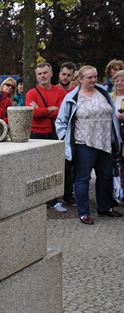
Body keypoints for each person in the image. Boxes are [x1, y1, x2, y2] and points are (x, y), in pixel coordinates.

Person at [56, 65, 122, 225]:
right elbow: (61, 121)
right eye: (89, 77)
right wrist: (66, 139)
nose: (93, 80)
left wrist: (116, 138)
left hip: (106, 142)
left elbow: (113, 115)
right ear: (80, 79)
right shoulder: (72, 97)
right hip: (83, 143)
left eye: (95, 76)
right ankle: (84, 213)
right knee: (83, 178)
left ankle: (104, 208)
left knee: (105, 177)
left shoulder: (103, 93)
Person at [26, 62, 71, 212]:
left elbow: (63, 113)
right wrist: (51, 109)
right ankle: (37, 199)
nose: (43, 76)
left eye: (45, 73)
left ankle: (53, 199)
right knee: (37, 168)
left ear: (51, 74)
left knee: (54, 167)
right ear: (36, 76)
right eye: (39, 74)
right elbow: (33, 114)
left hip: (55, 134)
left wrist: (42, 110)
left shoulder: (60, 93)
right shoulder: (31, 93)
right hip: (37, 134)